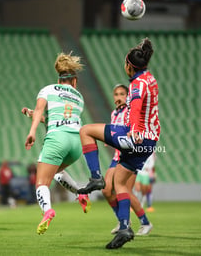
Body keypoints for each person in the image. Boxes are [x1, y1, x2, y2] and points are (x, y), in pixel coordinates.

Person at [78, 38, 160, 249]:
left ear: (129, 66)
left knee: (86, 131)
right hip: (149, 142)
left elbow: (136, 106)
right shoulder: (150, 78)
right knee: (121, 184)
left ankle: (96, 177)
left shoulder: (136, 85)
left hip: (136, 136)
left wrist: (133, 131)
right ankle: (125, 227)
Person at [24, 52, 90, 235]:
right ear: (74, 81)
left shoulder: (48, 90)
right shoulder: (79, 97)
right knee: (57, 171)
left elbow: (40, 112)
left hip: (57, 138)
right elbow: (57, 117)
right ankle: (80, 192)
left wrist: (31, 131)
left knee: (41, 182)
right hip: (76, 143)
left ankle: (48, 211)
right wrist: (33, 113)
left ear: (58, 78)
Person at [102, 84, 153, 235]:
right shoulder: (114, 113)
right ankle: (122, 220)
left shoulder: (131, 112)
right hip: (117, 156)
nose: (118, 97)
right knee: (106, 190)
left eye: (122, 94)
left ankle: (144, 222)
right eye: (116, 94)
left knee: (125, 191)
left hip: (129, 156)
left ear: (128, 96)